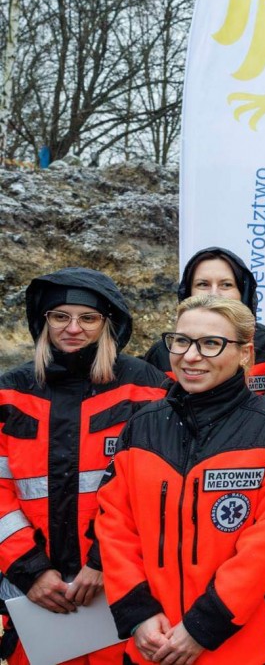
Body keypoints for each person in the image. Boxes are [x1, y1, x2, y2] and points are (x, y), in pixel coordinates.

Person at [96, 295, 265, 664]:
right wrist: (138, 614)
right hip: (153, 644)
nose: (191, 356)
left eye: (211, 343)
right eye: (181, 341)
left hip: (245, 649)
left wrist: (202, 627)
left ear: (244, 353)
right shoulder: (142, 426)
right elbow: (115, 526)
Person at [0, 268, 169, 665]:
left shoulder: (146, 387)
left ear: (108, 322)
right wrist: (30, 570)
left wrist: (103, 561)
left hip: (123, 589)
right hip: (35, 598)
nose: (73, 328)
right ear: (43, 320)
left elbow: (156, 489)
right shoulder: (9, 392)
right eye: (60, 316)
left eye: (88, 318)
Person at [141, 247, 265, 393]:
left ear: (243, 292)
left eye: (226, 285)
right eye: (203, 284)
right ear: (188, 292)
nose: (214, 293)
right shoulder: (162, 353)